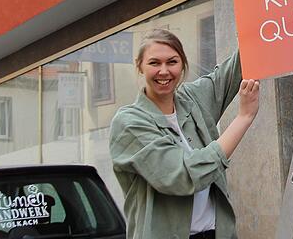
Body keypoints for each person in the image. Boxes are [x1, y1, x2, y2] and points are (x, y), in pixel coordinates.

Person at [109, 28, 259, 239]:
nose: (164, 71)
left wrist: (252, 30)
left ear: (183, 65)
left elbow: (233, 71)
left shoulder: (192, 99)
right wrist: (243, 118)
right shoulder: (129, 123)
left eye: (172, 62)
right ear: (139, 66)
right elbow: (182, 176)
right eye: (154, 63)